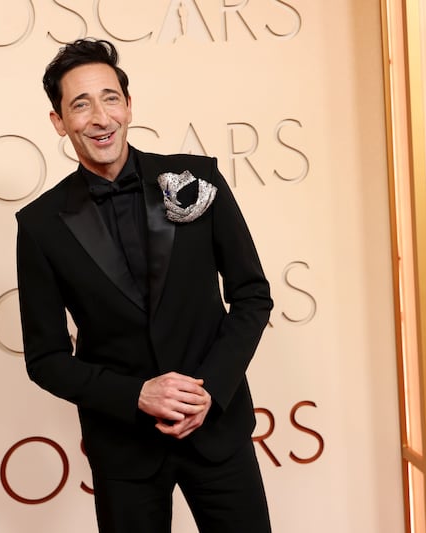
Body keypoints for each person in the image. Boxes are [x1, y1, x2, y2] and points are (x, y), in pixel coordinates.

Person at [16, 38, 273, 532]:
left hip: (217, 431)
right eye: (80, 104)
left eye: (110, 98)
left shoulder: (197, 178)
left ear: (129, 106)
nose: (100, 117)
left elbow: (251, 296)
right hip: (124, 449)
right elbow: (45, 360)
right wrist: (136, 394)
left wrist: (209, 391)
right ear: (58, 121)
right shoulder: (41, 224)